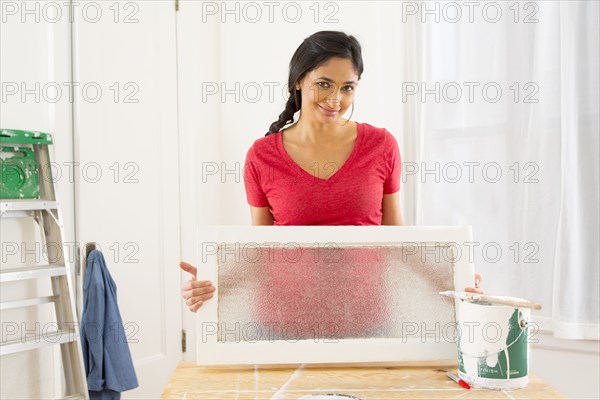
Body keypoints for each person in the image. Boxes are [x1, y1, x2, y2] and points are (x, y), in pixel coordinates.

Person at [180, 31, 483, 313]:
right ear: (299, 80)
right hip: (284, 317)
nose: (336, 99)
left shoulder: (381, 146)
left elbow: (398, 239)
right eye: (324, 83)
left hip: (365, 315)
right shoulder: (262, 156)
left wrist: (453, 282)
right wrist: (214, 282)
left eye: (347, 87)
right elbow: (262, 248)